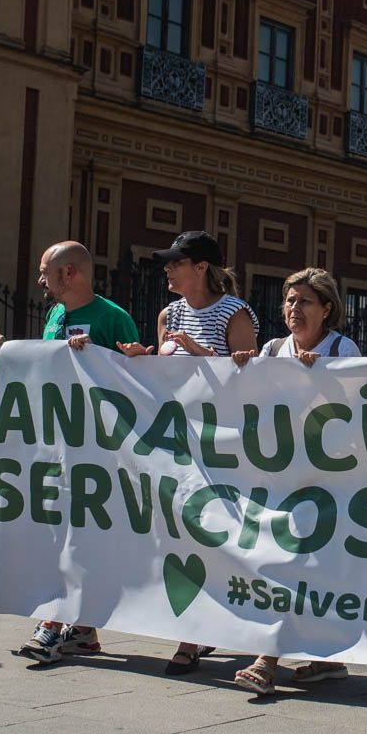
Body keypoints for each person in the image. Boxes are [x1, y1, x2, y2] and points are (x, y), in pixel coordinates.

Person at [0, 241, 140, 664]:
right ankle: (84, 630)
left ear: (70, 273)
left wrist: (100, 358)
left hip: (101, 449)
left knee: (79, 536)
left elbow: (139, 381)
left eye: (46, 271)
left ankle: (53, 624)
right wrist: (10, 354)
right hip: (57, 444)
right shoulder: (55, 315)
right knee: (62, 532)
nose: (40, 279)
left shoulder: (114, 318)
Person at [119, 231, 259, 675]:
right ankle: (194, 631)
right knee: (180, 533)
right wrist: (143, 357)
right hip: (175, 443)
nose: (167, 268)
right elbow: (164, 376)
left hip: (220, 445)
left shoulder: (235, 312)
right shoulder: (169, 313)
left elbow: (252, 378)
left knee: (214, 533)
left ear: (201, 267)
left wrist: (203, 354)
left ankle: (200, 634)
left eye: (176, 262)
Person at [229, 268, 360, 695]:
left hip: (328, 479)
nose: (293, 309)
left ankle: (268, 660)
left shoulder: (343, 348)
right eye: (288, 300)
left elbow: (362, 405)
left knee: (301, 564)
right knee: (286, 561)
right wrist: (241, 370)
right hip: (280, 477)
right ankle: (323, 661)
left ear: (327, 309)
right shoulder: (270, 349)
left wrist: (326, 376)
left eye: (304, 301)